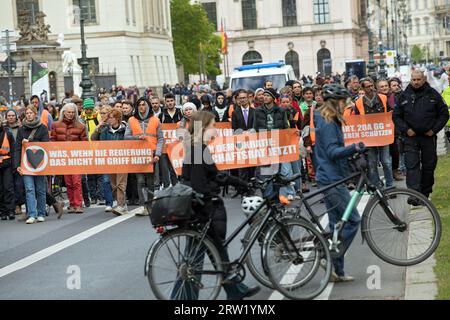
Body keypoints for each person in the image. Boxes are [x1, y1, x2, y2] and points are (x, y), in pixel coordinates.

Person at [175, 111, 260, 300]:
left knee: (210, 252)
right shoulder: (198, 149)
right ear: (204, 127)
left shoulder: (197, 147)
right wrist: (214, 191)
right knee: (199, 256)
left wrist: (240, 183)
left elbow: (215, 176)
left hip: (198, 208)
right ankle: (181, 299)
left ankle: (235, 289)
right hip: (203, 209)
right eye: (213, 125)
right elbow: (200, 184)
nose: (215, 130)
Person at [313, 84, 365, 282]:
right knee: (353, 220)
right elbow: (333, 152)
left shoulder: (330, 120)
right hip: (331, 178)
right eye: (344, 101)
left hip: (331, 176)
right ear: (337, 102)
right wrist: (354, 148)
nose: (346, 105)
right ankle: (330, 254)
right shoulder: (328, 123)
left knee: (336, 225)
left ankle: (337, 272)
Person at [394, 70, 449, 200]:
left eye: (418, 80)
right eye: (414, 80)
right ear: (410, 80)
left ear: (423, 79)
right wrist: (406, 129)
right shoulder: (404, 95)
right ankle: (414, 195)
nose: (416, 82)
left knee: (429, 166)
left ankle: (425, 194)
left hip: (428, 137)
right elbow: (396, 116)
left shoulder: (433, 94)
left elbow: (444, 114)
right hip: (410, 137)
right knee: (411, 165)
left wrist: (434, 130)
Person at [350, 78, 394, 189]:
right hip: (369, 137)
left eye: (371, 85)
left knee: (386, 162)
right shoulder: (359, 102)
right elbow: (357, 120)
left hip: (383, 134)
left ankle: (390, 186)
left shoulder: (382, 98)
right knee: (372, 163)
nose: (370, 88)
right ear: (363, 89)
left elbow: (390, 112)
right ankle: (377, 187)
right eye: (367, 86)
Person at [125, 97, 164, 216]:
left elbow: (161, 139)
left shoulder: (155, 120)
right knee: (140, 181)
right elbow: (126, 137)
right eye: (140, 105)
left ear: (148, 106)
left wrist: (157, 154)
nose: (142, 107)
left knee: (151, 181)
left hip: (151, 154)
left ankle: (150, 205)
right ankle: (144, 206)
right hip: (138, 154)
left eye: (144, 105)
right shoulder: (131, 120)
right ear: (137, 107)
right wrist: (137, 137)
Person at [14, 106, 50, 224]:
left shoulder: (42, 128)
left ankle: (40, 213)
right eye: (27, 113)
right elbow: (17, 149)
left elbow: (46, 145)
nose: (28, 115)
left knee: (40, 189)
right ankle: (32, 214)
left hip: (39, 163)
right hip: (25, 164)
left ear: (35, 114)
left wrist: (30, 143)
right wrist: (17, 165)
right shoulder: (21, 129)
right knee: (29, 189)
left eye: (31, 113)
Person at [51, 103, 88, 214]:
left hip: (76, 157)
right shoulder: (56, 125)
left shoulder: (81, 126)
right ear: (64, 112)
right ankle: (72, 204)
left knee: (76, 181)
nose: (70, 114)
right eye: (68, 112)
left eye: (73, 112)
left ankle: (78, 204)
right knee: (68, 182)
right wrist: (56, 149)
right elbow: (52, 139)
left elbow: (85, 142)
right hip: (63, 157)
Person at [98, 109, 128, 216]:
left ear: (118, 119)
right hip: (110, 159)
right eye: (109, 117)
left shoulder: (124, 129)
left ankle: (121, 205)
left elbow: (128, 142)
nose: (109, 120)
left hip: (122, 159)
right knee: (113, 185)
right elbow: (100, 142)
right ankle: (122, 202)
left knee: (121, 183)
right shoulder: (105, 130)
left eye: (112, 117)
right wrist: (99, 127)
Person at [159, 94, 182, 189]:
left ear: (174, 102)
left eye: (171, 101)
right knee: (167, 168)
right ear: (165, 102)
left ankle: (179, 187)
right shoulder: (162, 115)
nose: (169, 103)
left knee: (178, 167)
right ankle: (168, 187)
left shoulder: (181, 113)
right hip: (166, 145)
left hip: (178, 145)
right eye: (167, 101)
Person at [0, 116, 15, 221]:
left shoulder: (8, 134)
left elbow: (13, 150)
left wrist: (14, 165)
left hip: (7, 164)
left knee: (8, 187)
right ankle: (3, 211)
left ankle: (10, 210)